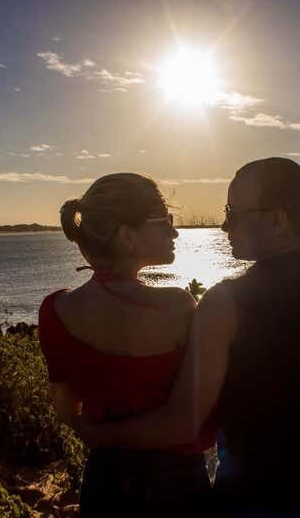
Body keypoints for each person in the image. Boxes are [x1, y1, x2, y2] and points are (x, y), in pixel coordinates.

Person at [81, 158, 300, 517]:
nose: (225, 224)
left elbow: (184, 423)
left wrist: (99, 434)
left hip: (250, 502)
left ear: (278, 219)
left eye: (234, 212)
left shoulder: (225, 302)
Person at [37, 173, 215, 516]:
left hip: (105, 480)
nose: (174, 232)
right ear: (127, 236)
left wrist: (97, 434)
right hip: (175, 485)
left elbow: (65, 410)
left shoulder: (56, 309)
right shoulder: (177, 307)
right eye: (165, 221)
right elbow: (186, 422)